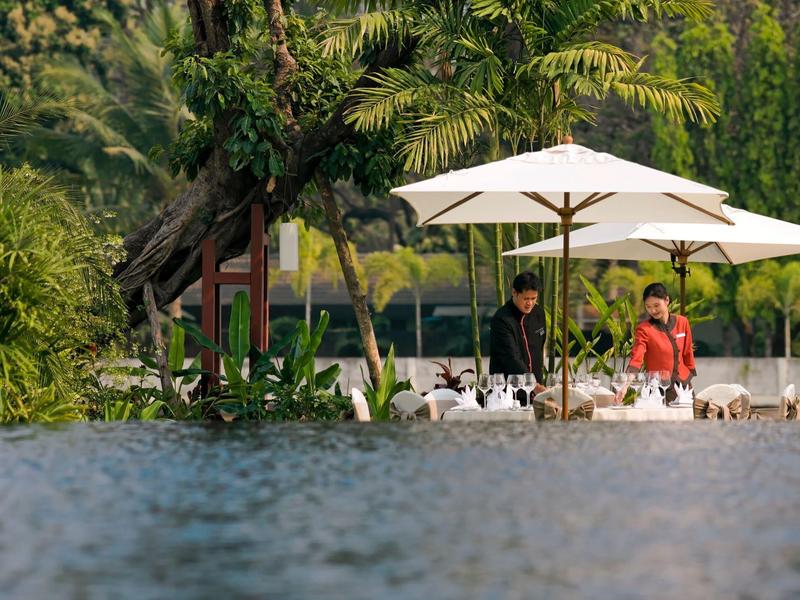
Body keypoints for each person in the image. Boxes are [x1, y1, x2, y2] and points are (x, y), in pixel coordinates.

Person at [620, 282, 696, 404]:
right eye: (648, 307)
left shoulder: (682, 322)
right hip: (659, 390)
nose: (653, 310)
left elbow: (688, 352)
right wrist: (625, 386)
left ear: (666, 300)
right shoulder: (644, 329)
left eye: (656, 305)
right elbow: (637, 359)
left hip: (684, 387)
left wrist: (689, 375)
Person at [489, 271, 547, 396]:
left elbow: (541, 348)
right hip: (507, 393)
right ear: (514, 293)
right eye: (526, 298)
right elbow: (511, 358)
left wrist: (538, 385)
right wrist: (534, 386)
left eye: (533, 298)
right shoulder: (502, 319)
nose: (530, 303)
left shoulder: (539, 313)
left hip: (536, 392)